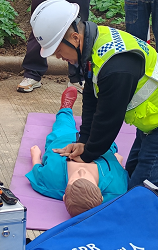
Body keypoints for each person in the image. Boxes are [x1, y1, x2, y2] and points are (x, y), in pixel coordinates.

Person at [29, 0, 158, 204]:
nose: (59, 57)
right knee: (129, 177)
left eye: (58, 51)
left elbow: (108, 119)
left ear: (75, 37)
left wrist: (89, 153)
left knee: (140, 192)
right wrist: (84, 141)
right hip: (155, 125)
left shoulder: (115, 67)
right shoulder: (95, 45)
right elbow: (92, 99)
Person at [27, 87, 128, 217]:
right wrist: (117, 161)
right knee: (101, 124)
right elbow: (121, 170)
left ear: (64, 196)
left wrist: (35, 156)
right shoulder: (117, 189)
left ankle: (65, 109)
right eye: (87, 179)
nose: (81, 171)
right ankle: (98, 101)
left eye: (75, 179)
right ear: (102, 197)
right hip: (99, 144)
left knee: (63, 123)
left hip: (63, 139)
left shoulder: (49, 183)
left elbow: (37, 170)